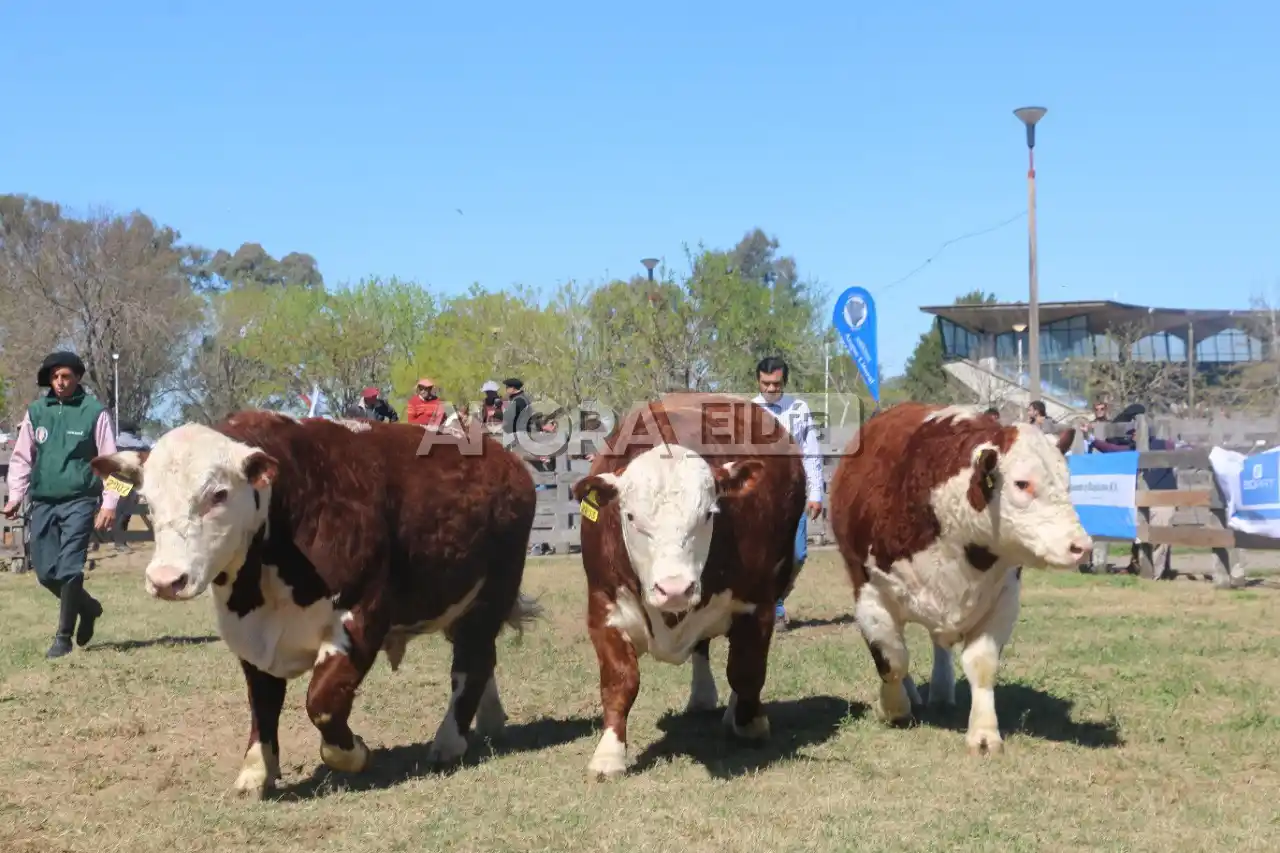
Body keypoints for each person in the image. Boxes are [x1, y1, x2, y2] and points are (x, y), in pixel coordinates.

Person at [2, 351, 118, 659]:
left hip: (80, 500)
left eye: (66, 376)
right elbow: (22, 458)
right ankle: (88, 607)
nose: (60, 382)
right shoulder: (37, 412)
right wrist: (15, 495)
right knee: (45, 572)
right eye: (54, 377)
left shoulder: (94, 412)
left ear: (78, 377)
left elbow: (113, 463)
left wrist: (110, 503)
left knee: (69, 568)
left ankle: (63, 637)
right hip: (43, 501)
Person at [751, 355, 824, 631]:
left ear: (785, 382)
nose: (770, 389)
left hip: (792, 496)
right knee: (761, 556)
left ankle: (776, 598)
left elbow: (812, 453)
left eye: (776, 384)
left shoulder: (799, 409)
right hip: (758, 498)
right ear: (758, 381)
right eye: (766, 384)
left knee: (797, 554)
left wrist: (816, 492)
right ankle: (773, 608)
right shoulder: (748, 412)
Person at [110, 419, 150, 552]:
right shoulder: (140, 446)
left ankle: (117, 540)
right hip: (131, 481)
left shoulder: (114, 444)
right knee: (125, 512)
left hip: (114, 481)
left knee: (117, 510)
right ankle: (120, 542)